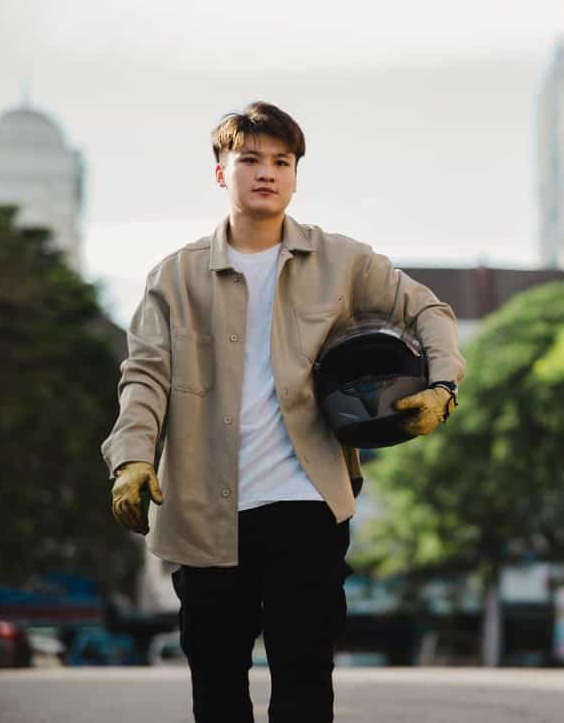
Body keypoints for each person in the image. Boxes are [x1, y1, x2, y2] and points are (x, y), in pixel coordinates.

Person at [100, 101, 465, 723]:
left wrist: (442, 385)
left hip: (306, 505)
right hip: (204, 513)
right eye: (250, 160)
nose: (267, 172)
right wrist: (131, 458)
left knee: (304, 681)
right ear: (222, 173)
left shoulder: (342, 262)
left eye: (282, 161)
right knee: (216, 687)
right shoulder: (174, 278)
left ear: (295, 175)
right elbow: (145, 376)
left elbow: (428, 311)